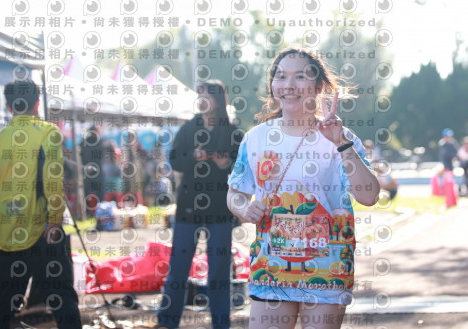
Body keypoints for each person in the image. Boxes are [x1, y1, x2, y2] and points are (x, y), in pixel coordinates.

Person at [226, 48, 380, 329]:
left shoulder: (341, 138)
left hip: (327, 267)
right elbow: (235, 192)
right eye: (280, 76)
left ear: (319, 87)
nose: (289, 85)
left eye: (300, 76)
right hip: (271, 267)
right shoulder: (256, 138)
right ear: (272, 85)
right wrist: (244, 209)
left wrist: (341, 144)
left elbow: (369, 196)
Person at [0, 79, 81, 328]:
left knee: (3, 304)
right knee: (61, 296)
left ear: (8, 107)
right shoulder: (48, 133)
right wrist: (54, 221)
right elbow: (52, 181)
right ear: (37, 103)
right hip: (41, 229)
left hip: (5, 230)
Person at [157, 80, 243, 329]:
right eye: (200, 95)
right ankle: (167, 321)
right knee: (178, 267)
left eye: (207, 95)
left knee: (219, 271)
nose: (202, 100)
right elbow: (175, 161)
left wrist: (226, 163)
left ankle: (221, 323)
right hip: (188, 206)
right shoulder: (189, 128)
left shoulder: (232, 132)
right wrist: (193, 157)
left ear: (218, 100)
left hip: (220, 208)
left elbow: (243, 166)